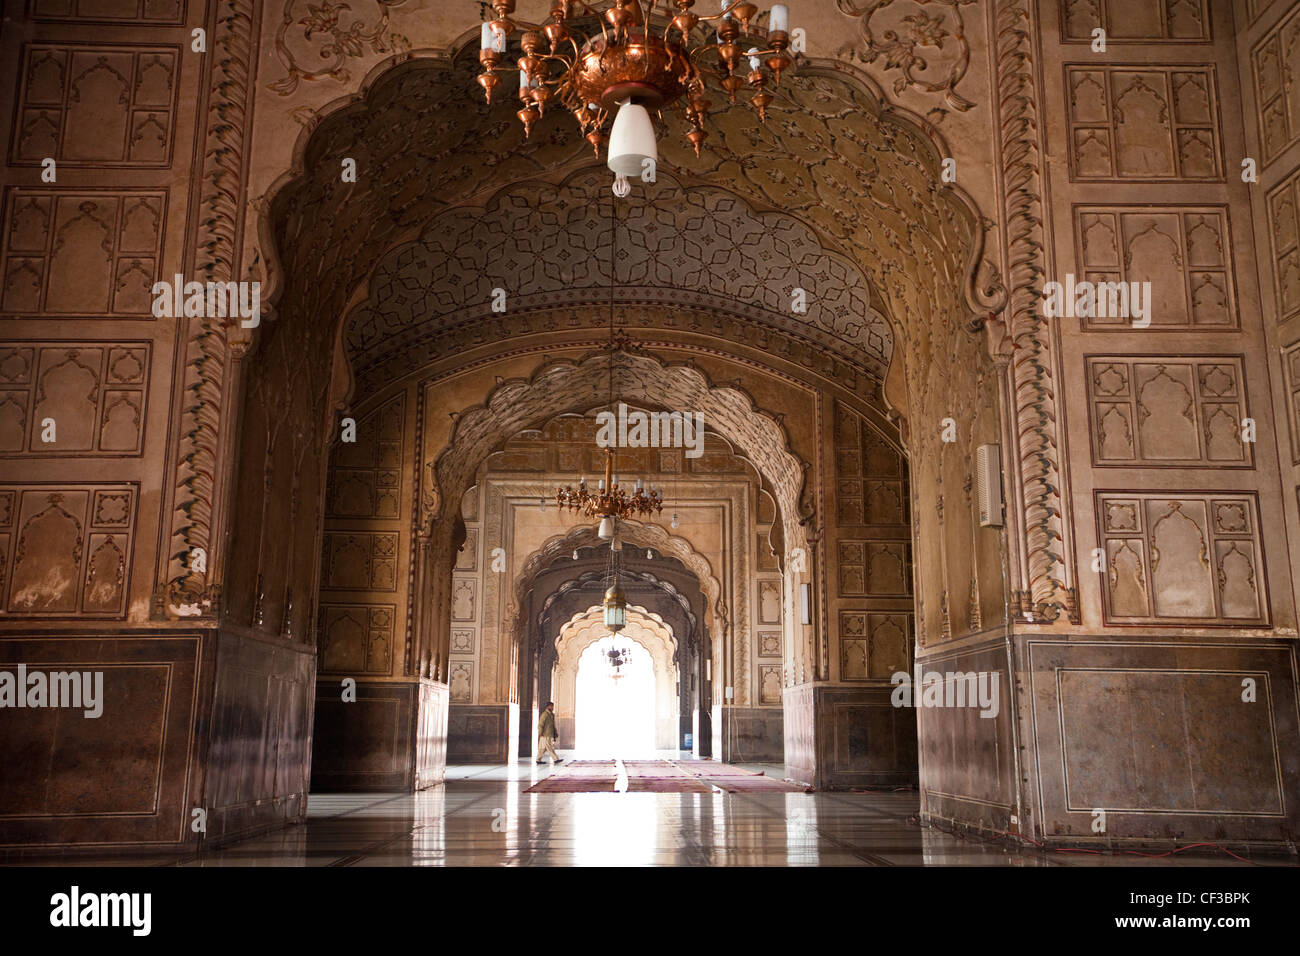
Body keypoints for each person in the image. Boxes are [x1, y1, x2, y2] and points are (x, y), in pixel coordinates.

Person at [536, 701, 563, 765]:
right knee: (550, 747)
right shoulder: (545, 714)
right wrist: (540, 733)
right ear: (548, 706)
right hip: (545, 734)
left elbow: (553, 725)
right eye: (551, 706)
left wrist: (555, 733)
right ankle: (556, 759)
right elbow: (540, 725)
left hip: (549, 734)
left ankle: (538, 759)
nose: (552, 707)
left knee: (542, 748)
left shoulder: (551, 715)